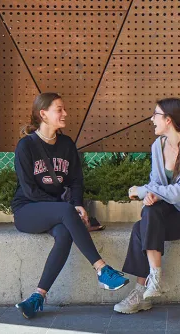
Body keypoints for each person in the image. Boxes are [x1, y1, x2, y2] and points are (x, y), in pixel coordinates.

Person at [12, 92, 129, 319]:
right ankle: (102, 269)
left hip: (57, 212)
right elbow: (29, 190)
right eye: (59, 109)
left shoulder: (66, 144)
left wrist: (77, 204)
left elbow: (76, 180)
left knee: (65, 234)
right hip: (27, 210)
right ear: (43, 114)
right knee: (65, 212)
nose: (65, 113)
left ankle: (37, 296)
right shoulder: (26, 146)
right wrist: (67, 208)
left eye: (64, 109)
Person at [114, 98, 180, 314]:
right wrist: (150, 195)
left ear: (168, 119)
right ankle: (153, 282)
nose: (151, 119)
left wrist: (143, 192)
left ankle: (143, 290)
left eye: (155, 115)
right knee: (149, 212)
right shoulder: (157, 146)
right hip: (165, 210)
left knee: (141, 228)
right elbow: (156, 183)